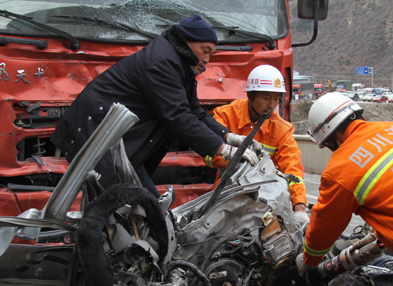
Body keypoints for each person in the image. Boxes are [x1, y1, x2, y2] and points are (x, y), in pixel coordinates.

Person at [51, 14, 258, 198]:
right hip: (98, 134)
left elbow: (194, 111)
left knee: (129, 204)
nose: (206, 60)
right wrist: (222, 149)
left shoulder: (180, 66)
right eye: (205, 51)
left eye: (210, 55)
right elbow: (178, 117)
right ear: (186, 42)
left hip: (119, 143)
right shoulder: (163, 63)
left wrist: (229, 137)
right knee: (141, 206)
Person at [300, 92, 393, 282]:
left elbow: (324, 227)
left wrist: (308, 259)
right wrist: (378, 234)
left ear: (329, 138)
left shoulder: (340, 169)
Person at [204, 65, 309, 225]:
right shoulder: (225, 115)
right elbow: (209, 156)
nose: (272, 104)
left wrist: (299, 207)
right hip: (227, 193)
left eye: (276, 99)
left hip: (265, 200)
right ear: (251, 96)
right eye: (266, 98)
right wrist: (239, 162)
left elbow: (293, 170)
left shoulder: (281, 129)